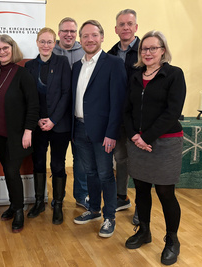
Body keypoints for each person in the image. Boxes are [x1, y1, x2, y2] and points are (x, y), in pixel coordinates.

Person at [123, 30, 186, 266]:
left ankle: (172, 240)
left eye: (153, 48)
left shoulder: (173, 74)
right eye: (144, 49)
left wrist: (145, 137)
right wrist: (133, 135)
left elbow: (172, 112)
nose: (148, 52)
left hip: (166, 141)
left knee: (165, 192)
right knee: (140, 189)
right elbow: (126, 109)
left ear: (163, 50)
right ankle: (144, 231)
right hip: (138, 140)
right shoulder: (136, 75)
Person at [71, 20, 126, 238]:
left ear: (102, 37)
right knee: (90, 173)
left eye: (94, 35)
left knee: (105, 175)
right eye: (85, 36)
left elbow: (118, 102)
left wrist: (111, 133)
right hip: (79, 129)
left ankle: (109, 217)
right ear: (80, 40)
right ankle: (93, 209)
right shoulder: (77, 66)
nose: (90, 39)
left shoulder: (113, 63)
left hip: (103, 132)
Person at [0, 34, 39, 233]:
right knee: (9, 172)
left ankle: (18, 211)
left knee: (11, 171)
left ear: (12, 49)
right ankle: (13, 204)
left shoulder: (23, 74)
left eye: (5, 48)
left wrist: (28, 131)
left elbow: (33, 105)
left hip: (18, 135)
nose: (2, 52)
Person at [25, 28, 71, 224]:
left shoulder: (62, 63)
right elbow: (27, 96)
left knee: (58, 164)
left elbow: (66, 93)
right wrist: (36, 120)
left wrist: (52, 120)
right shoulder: (29, 66)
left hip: (59, 125)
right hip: (37, 125)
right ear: (37, 42)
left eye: (49, 41)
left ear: (55, 43)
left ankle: (58, 204)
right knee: (38, 163)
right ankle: (38, 202)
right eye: (42, 41)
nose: (46, 45)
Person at [107, 9, 140, 221]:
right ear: (116, 29)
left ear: (136, 27)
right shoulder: (110, 54)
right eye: (122, 24)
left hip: (138, 118)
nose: (125, 27)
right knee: (120, 158)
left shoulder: (145, 51)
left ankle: (141, 207)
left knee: (139, 162)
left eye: (129, 24)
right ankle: (122, 197)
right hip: (117, 117)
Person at [53, 17, 88, 210]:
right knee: (57, 160)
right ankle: (58, 197)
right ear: (59, 33)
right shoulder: (50, 51)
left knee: (80, 160)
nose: (69, 34)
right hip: (57, 117)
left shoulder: (85, 51)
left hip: (78, 116)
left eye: (72, 32)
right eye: (65, 31)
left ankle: (81, 196)